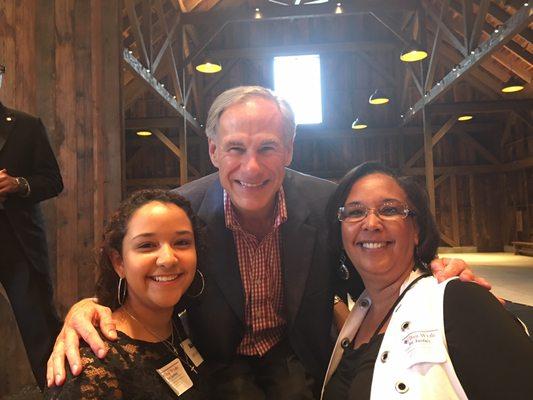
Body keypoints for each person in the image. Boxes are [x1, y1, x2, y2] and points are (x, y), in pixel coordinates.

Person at [47, 86, 481, 398]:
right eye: (235, 148)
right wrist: (84, 307)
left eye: (267, 147)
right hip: (212, 360)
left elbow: (374, 267)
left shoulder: (327, 202)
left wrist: (432, 280)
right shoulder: (182, 211)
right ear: (213, 151)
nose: (251, 167)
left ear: (290, 150)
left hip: (296, 352)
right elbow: (141, 279)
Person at [321, 162, 533, 399]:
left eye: (389, 210)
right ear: (340, 234)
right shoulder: (358, 317)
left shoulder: (459, 301)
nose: (371, 224)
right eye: (355, 212)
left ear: (416, 230)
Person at [45, 189, 211, 399]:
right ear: (119, 262)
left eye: (182, 242)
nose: (168, 259)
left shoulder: (176, 323)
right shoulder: (93, 367)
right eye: (147, 245)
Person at [0, 63, 63, 389]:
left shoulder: (26, 126)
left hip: (19, 243)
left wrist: (19, 184)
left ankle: (59, 394)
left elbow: (53, 181)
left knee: (40, 328)